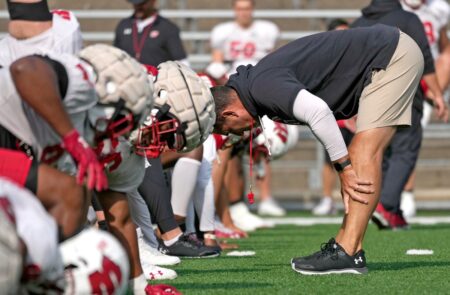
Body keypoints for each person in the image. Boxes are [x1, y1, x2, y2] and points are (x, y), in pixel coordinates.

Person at [210, 24, 435, 274]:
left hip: (390, 56)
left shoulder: (261, 86)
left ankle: (348, 251)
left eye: (228, 128)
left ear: (230, 112)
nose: (237, 133)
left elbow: (317, 111)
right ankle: (348, 247)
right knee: (360, 150)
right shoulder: (253, 85)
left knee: (362, 152)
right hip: (385, 56)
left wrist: (344, 168)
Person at [352, 0, 447, 230]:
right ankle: (386, 203)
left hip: (369, 95)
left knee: (379, 152)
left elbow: (350, 66)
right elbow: (425, 58)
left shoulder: (359, 23)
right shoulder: (407, 19)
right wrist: (437, 94)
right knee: (405, 149)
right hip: (405, 92)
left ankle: (390, 210)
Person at [210, 0, 284, 220]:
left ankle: (266, 197)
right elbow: (217, 61)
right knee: (233, 144)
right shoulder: (223, 32)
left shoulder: (265, 30)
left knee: (264, 145)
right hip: (234, 92)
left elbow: (273, 59)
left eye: (247, 8)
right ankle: (235, 202)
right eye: (239, 8)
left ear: (252, 9)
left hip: (260, 89)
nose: (243, 13)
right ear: (234, 10)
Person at [400, 0, 450, 218]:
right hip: (396, 75)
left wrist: (437, 90)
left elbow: (445, 51)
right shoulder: (390, 6)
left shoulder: (440, 9)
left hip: (425, 81)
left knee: (410, 137)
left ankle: (405, 193)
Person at [312, 18, 355, 216]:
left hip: (354, 117)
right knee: (330, 160)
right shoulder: (323, 59)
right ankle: (327, 199)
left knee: (359, 158)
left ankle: (357, 199)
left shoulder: (357, 57)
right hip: (332, 116)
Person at [114, 0, 188, 66]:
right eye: (135, 3)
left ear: (153, 1)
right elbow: (115, 56)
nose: (138, 7)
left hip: (157, 79)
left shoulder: (167, 28)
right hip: (129, 78)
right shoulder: (123, 25)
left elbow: (182, 61)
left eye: (142, 3)